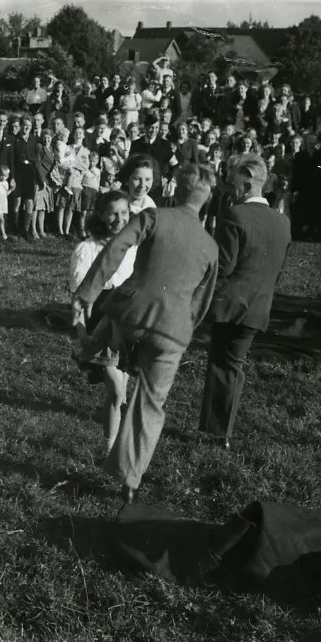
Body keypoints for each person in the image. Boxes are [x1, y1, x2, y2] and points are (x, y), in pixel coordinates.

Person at [73, 162, 218, 504]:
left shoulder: (153, 217)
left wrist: (87, 292)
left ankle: (90, 350)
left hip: (130, 315)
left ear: (174, 189)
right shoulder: (211, 247)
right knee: (150, 405)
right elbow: (201, 303)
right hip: (172, 332)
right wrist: (180, 333)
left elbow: (115, 248)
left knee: (109, 325)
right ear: (207, 199)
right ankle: (130, 481)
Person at [199, 153, 291, 449]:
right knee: (233, 365)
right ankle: (219, 431)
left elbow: (224, 266)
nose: (229, 187)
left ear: (250, 183)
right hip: (259, 305)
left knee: (221, 365)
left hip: (230, 304)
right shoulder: (283, 222)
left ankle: (216, 433)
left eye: (233, 182)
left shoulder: (236, 215)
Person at [71, 190, 135, 452]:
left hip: (129, 325)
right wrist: (82, 334)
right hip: (101, 326)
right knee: (117, 390)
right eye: (112, 213)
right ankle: (109, 450)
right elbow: (78, 300)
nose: (119, 219)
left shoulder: (134, 246)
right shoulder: (87, 249)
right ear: (100, 214)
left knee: (123, 387)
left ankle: (115, 438)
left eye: (124, 213)